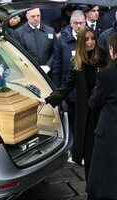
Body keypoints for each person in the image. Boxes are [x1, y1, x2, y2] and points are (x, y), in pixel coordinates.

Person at [38, 26, 101, 180]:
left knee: (102, 150)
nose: (90, 42)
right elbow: (66, 87)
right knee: (88, 150)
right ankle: (91, 187)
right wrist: (46, 100)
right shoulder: (77, 61)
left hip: (103, 110)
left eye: (92, 38)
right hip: (86, 112)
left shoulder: (104, 58)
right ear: (80, 42)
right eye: (86, 39)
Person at [86, 32, 117, 200]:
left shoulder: (107, 74)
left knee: (103, 176)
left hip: (109, 131)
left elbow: (94, 102)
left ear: (112, 51)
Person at [51, 10, 86, 136]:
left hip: (85, 89)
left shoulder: (90, 39)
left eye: (81, 23)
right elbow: (56, 67)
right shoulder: (62, 41)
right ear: (71, 23)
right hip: (68, 89)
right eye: (75, 23)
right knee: (70, 121)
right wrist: (57, 91)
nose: (78, 26)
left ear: (85, 23)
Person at [14, 8, 57, 75]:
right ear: (27, 17)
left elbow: (56, 51)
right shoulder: (18, 33)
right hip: (29, 72)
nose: (36, 18)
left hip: (49, 73)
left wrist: (48, 66)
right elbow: (19, 55)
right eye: (33, 16)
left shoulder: (50, 30)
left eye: (38, 15)